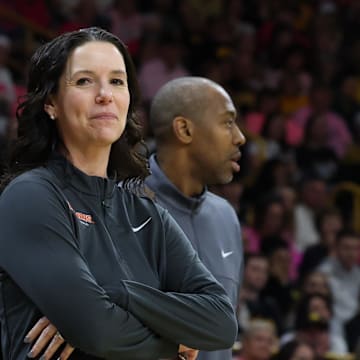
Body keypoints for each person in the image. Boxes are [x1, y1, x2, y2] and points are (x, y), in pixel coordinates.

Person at [0, 27, 238, 359]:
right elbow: (98, 331)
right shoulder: (29, 197)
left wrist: (117, 295)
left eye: (117, 81)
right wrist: (177, 342)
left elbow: (221, 322)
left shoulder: (145, 212)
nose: (105, 95)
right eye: (84, 81)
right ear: (51, 103)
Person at [145, 76, 246, 360]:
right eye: (227, 122)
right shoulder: (119, 207)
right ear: (185, 129)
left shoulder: (226, 216)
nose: (240, 136)